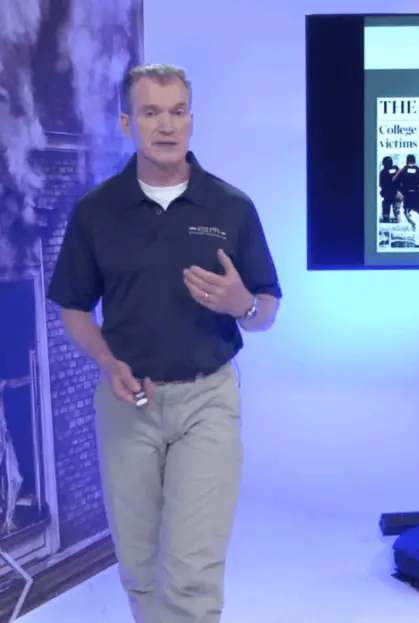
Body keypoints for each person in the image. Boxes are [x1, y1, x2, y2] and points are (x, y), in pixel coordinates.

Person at [46, 63, 282, 623]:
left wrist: (240, 304)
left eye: (177, 112)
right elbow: (73, 307)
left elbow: (267, 309)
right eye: (151, 112)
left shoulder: (231, 207)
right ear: (128, 123)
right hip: (131, 402)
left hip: (207, 401)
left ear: (192, 122)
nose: (166, 125)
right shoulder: (96, 212)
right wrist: (107, 361)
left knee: (193, 574)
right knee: (140, 567)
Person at [394, 154, 419, 247]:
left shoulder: (403, 170)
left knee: (415, 221)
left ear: (407, 161)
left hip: (409, 198)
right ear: (414, 161)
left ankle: (417, 242)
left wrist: (402, 191)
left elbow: (394, 180)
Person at [378, 156, 402, 223]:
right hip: (397, 192)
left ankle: (386, 220)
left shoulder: (383, 172)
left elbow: (380, 184)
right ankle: (398, 221)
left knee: (386, 206)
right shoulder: (396, 169)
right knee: (397, 209)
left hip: (387, 193)